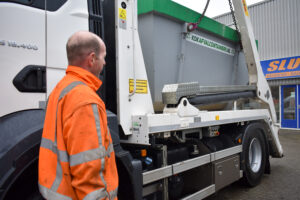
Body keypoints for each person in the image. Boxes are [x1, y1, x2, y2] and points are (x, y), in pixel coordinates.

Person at [38, 31, 119, 200]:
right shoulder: (86, 100)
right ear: (91, 59)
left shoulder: (60, 90)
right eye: (103, 57)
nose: (104, 63)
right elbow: (88, 172)